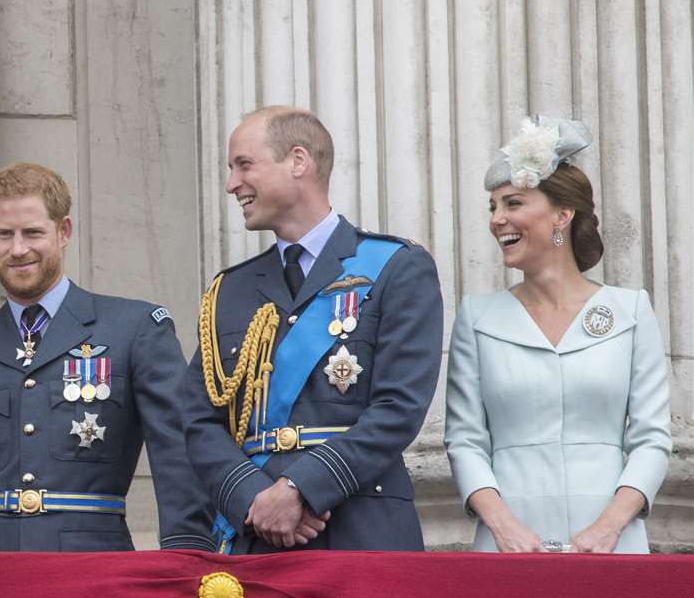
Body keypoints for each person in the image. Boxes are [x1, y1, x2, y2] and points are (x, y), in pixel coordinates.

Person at [185, 106, 443, 552]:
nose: (232, 184)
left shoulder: (396, 267)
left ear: (298, 161)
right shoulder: (231, 290)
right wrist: (253, 497)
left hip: (361, 529)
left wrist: (300, 489)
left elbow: (398, 408)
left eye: (244, 165)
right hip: (255, 534)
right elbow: (198, 420)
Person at [0, 163, 214, 552]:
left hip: (93, 568)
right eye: (4, 235)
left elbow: (179, 454)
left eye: (32, 233)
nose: (17, 249)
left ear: (63, 232)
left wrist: (187, 555)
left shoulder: (135, 329)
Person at [444, 117, 670, 553]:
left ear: (562, 215)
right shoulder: (478, 317)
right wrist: (504, 528)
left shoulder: (630, 310)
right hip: (506, 545)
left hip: (614, 544)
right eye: (493, 208)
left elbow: (652, 438)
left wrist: (609, 528)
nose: (497, 220)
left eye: (512, 203)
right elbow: (466, 440)